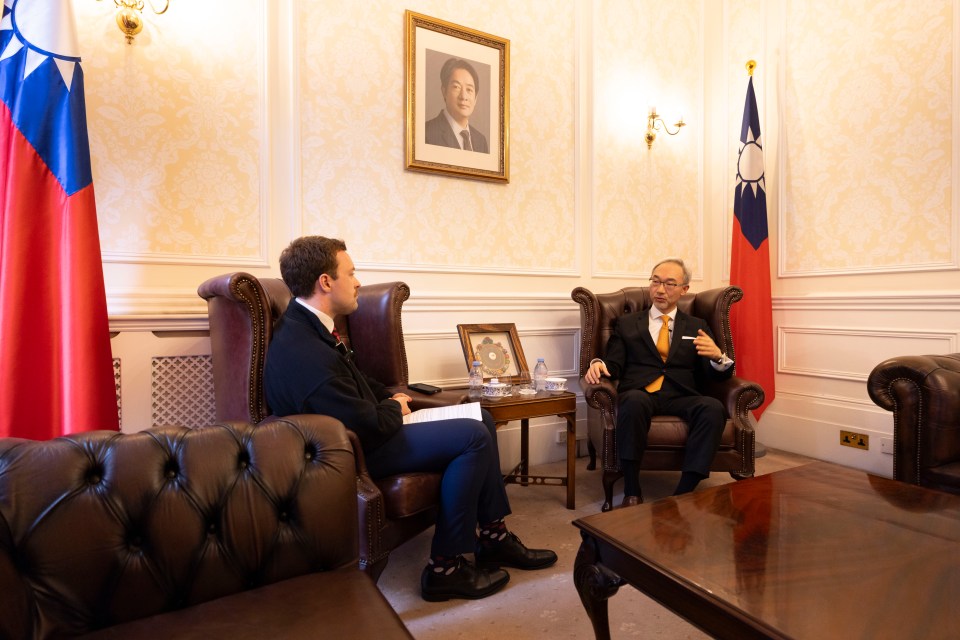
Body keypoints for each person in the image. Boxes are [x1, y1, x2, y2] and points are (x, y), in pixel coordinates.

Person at [264, 236, 556, 602]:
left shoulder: (310, 325)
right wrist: (394, 407)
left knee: (480, 415)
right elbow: (365, 424)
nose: (357, 282)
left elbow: (356, 381)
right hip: (348, 453)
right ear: (325, 282)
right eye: (351, 273)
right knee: (473, 436)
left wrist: (390, 396)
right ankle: (444, 570)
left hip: (364, 434)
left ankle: (494, 539)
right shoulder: (302, 350)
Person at [584, 258, 733, 507]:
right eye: (655, 281)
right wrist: (598, 363)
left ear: (684, 289)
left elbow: (713, 375)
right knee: (631, 401)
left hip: (682, 394)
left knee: (712, 408)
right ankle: (632, 489)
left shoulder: (697, 326)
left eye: (669, 284)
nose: (660, 289)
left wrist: (719, 357)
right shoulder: (627, 323)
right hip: (642, 393)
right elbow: (614, 363)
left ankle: (683, 492)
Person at [424, 57, 489, 153]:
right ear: (444, 91)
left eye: (469, 90)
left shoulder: (481, 141)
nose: (463, 96)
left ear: (475, 98)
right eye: (456, 87)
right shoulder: (427, 133)